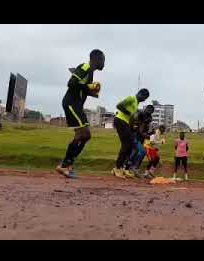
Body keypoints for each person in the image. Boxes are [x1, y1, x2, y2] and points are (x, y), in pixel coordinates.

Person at [56, 49, 105, 178]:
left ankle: (67, 163)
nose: (104, 62)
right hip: (72, 103)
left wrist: (92, 91)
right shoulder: (85, 67)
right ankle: (65, 165)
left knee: (85, 135)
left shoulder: (90, 73)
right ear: (96, 59)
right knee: (83, 133)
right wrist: (88, 87)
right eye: (103, 59)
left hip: (77, 104)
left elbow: (80, 88)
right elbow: (71, 83)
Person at [113, 89, 150, 178]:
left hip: (126, 123)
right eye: (144, 97)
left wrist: (133, 125)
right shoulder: (131, 98)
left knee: (131, 146)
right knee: (126, 145)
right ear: (140, 94)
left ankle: (123, 168)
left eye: (145, 98)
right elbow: (119, 105)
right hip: (120, 120)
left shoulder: (136, 103)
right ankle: (117, 168)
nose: (144, 100)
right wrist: (129, 113)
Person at [125, 105, 154, 176]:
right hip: (135, 137)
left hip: (140, 138)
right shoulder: (142, 118)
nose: (149, 122)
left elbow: (143, 132)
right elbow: (140, 131)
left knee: (137, 152)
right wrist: (147, 135)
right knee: (140, 151)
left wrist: (150, 133)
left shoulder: (146, 121)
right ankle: (131, 168)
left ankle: (132, 168)